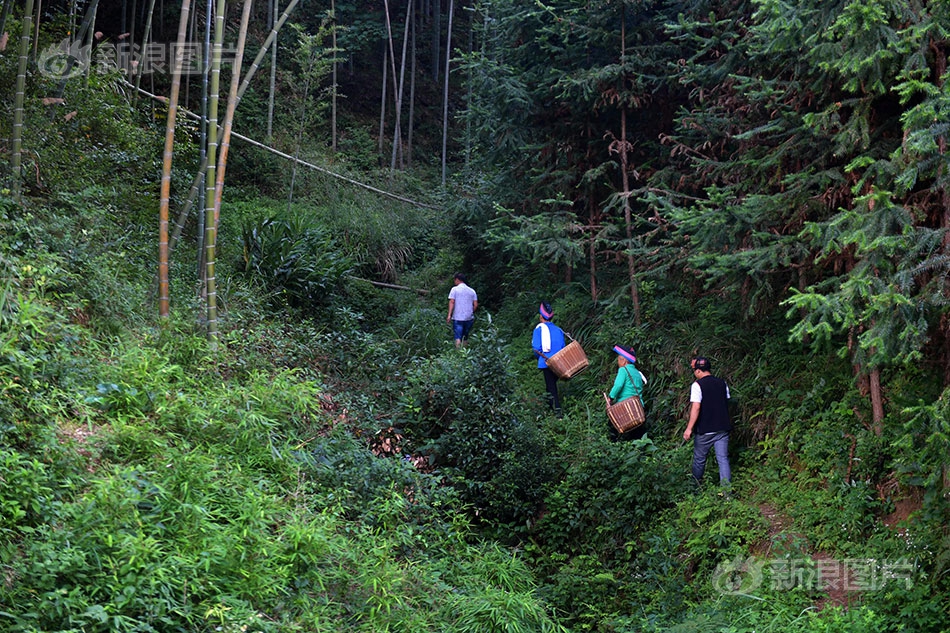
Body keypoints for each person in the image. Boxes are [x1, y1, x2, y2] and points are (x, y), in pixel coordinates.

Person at [683, 356, 733, 487]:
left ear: (698, 371)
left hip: (705, 430)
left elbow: (696, 407)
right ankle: (727, 492)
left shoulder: (697, 385)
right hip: (722, 428)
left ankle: (695, 488)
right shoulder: (722, 383)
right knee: (723, 460)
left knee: (699, 460)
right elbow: (726, 401)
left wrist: (689, 428)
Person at [532, 302, 566, 415]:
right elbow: (563, 347)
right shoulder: (558, 330)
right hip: (559, 362)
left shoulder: (538, 329)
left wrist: (540, 358)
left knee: (551, 387)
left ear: (541, 316)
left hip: (547, 362)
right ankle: (549, 406)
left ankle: (557, 413)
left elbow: (536, 348)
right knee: (551, 385)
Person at [607, 345, 646, 441]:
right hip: (638, 407)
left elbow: (618, 385)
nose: (618, 362)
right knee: (637, 433)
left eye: (618, 359)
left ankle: (613, 443)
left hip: (625, 407)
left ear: (623, 360)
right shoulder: (637, 373)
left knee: (612, 424)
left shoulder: (623, 370)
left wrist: (610, 397)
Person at [446, 273, 478, 348]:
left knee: (458, 336)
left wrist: (449, 315)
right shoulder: (472, 291)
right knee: (465, 336)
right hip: (469, 318)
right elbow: (475, 305)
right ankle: (465, 351)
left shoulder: (454, 289)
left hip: (458, 317)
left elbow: (452, 302)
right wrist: (470, 312)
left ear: (457, 280)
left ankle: (458, 352)